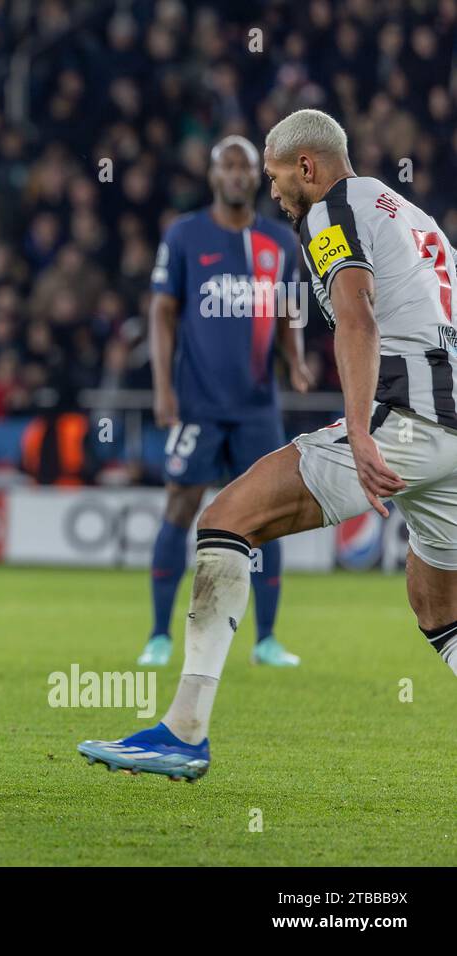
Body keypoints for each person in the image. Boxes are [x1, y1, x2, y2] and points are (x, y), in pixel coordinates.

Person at [80, 109, 457, 780]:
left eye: (277, 178)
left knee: (226, 518)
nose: (273, 193)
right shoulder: (406, 211)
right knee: (439, 605)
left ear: (306, 167)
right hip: (452, 429)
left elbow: (358, 319)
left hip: (407, 422)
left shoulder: (327, 212)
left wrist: (363, 432)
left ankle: (183, 731)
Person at [140, 135, 311, 670]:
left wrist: (298, 362)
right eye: (227, 166)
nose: (236, 174)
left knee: (267, 516)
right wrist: (163, 387)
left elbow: (290, 312)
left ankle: (267, 639)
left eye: (244, 166)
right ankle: (158, 636)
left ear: (255, 176)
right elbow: (162, 313)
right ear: (213, 176)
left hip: (259, 405)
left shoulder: (280, 242)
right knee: (180, 507)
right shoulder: (185, 235)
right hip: (197, 405)